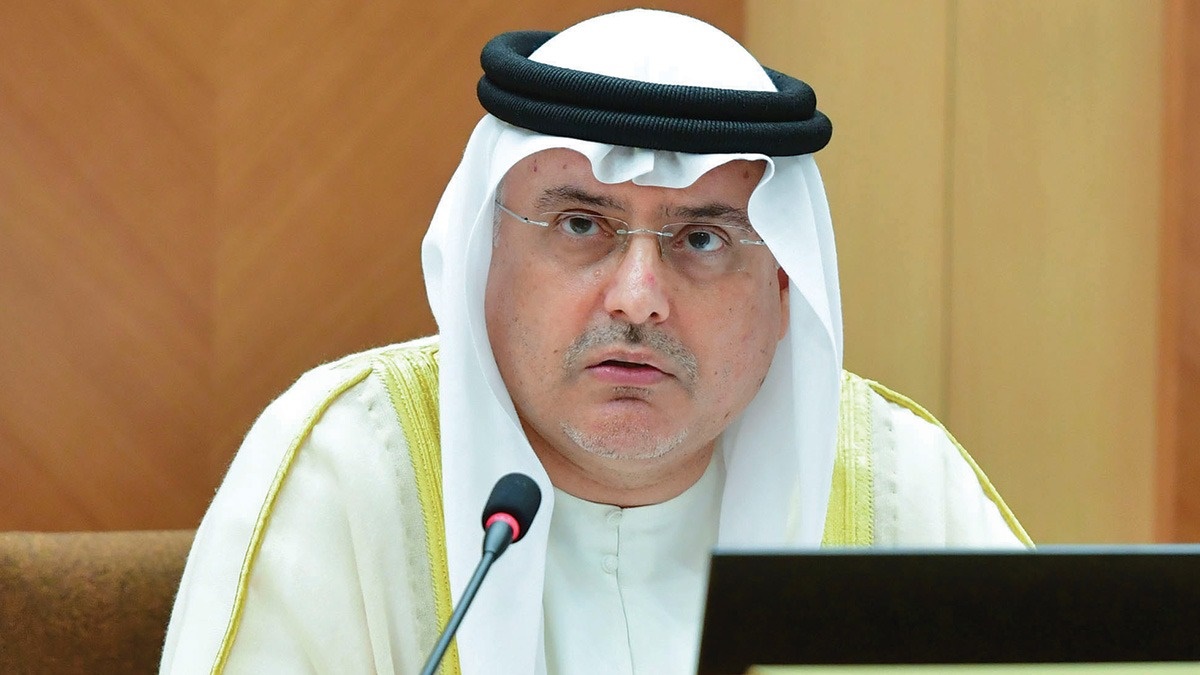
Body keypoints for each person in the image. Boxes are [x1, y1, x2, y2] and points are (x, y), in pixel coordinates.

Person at [161, 9, 1030, 674]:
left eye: (702, 239)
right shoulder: (347, 470)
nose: (639, 299)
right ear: (486, 254)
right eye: (581, 224)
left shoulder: (898, 482)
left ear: (781, 285)